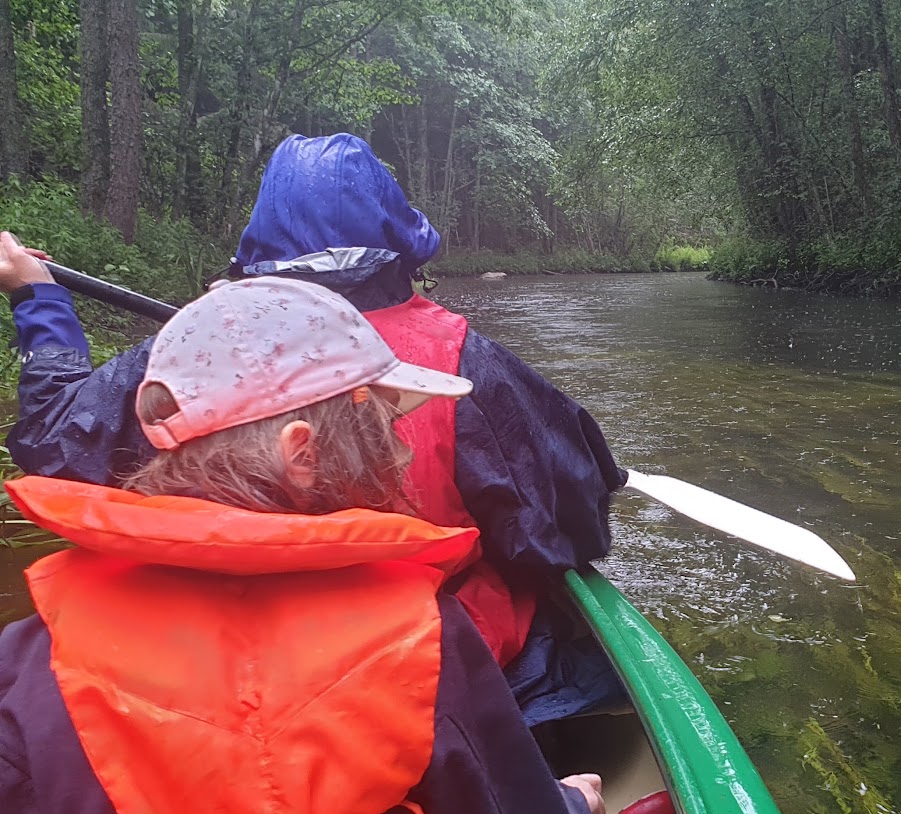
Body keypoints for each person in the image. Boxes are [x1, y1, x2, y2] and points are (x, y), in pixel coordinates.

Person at [5, 133, 624, 725]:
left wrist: (38, 298)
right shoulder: (470, 364)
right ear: (400, 236)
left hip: (215, 668)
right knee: (576, 656)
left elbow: (54, 444)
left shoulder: (187, 356)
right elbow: (562, 533)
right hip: (423, 657)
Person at [0, 261, 608, 814]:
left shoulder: (32, 651)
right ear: (302, 452)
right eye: (387, 425)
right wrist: (578, 812)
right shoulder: (423, 638)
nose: (399, 456)